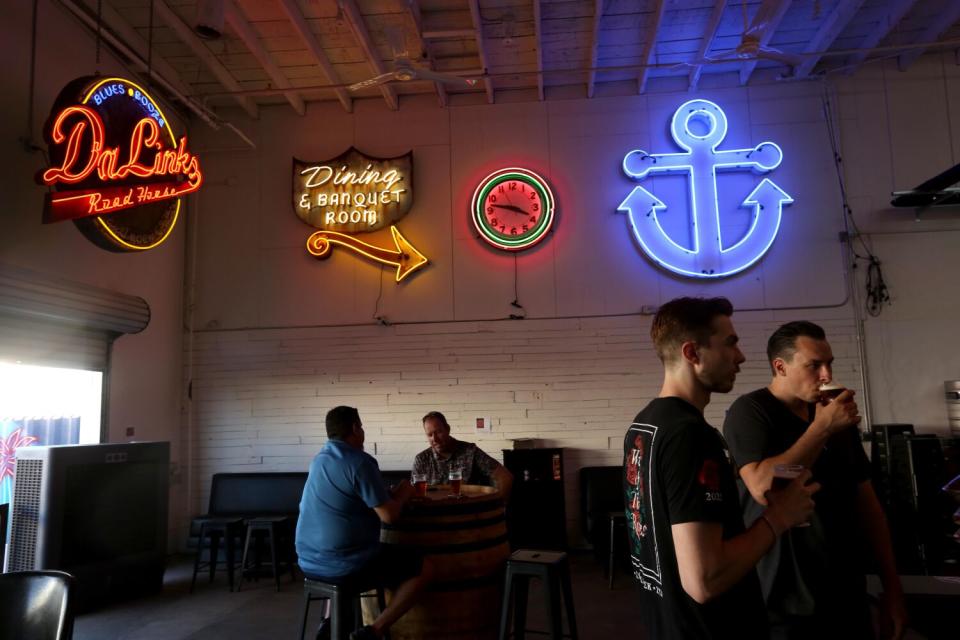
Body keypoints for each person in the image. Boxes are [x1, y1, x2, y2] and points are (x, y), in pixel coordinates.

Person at [622, 297, 819, 639]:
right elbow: (704, 579)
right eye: (730, 343)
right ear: (692, 354)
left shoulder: (644, 426)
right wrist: (779, 517)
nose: (740, 356)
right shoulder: (691, 436)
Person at [722, 321, 907, 640]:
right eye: (814, 365)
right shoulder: (750, 412)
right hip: (782, 600)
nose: (826, 375)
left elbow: (867, 502)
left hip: (847, 592)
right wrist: (822, 429)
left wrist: (892, 588)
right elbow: (764, 488)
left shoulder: (833, 416)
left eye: (829, 364)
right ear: (780, 366)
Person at [296, 406, 435, 640]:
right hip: (345, 564)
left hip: (307, 561)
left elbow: (350, 497)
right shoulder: (359, 461)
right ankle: (374, 631)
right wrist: (405, 492)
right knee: (425, 568)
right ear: (354, 428)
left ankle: (330, 624)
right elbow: (389, 516)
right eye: (360, 426)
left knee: (356, 557)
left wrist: (386, 494)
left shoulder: (319, 460)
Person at [412, 411, 513, 498]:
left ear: (447, 429)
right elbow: (413, 494)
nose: (435, 439)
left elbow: (505, 477)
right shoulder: (421, 459)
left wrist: (498, 507)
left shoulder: (470, 451)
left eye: (438, 432)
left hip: (467, 514)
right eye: (430, 435)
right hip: (433, 515)